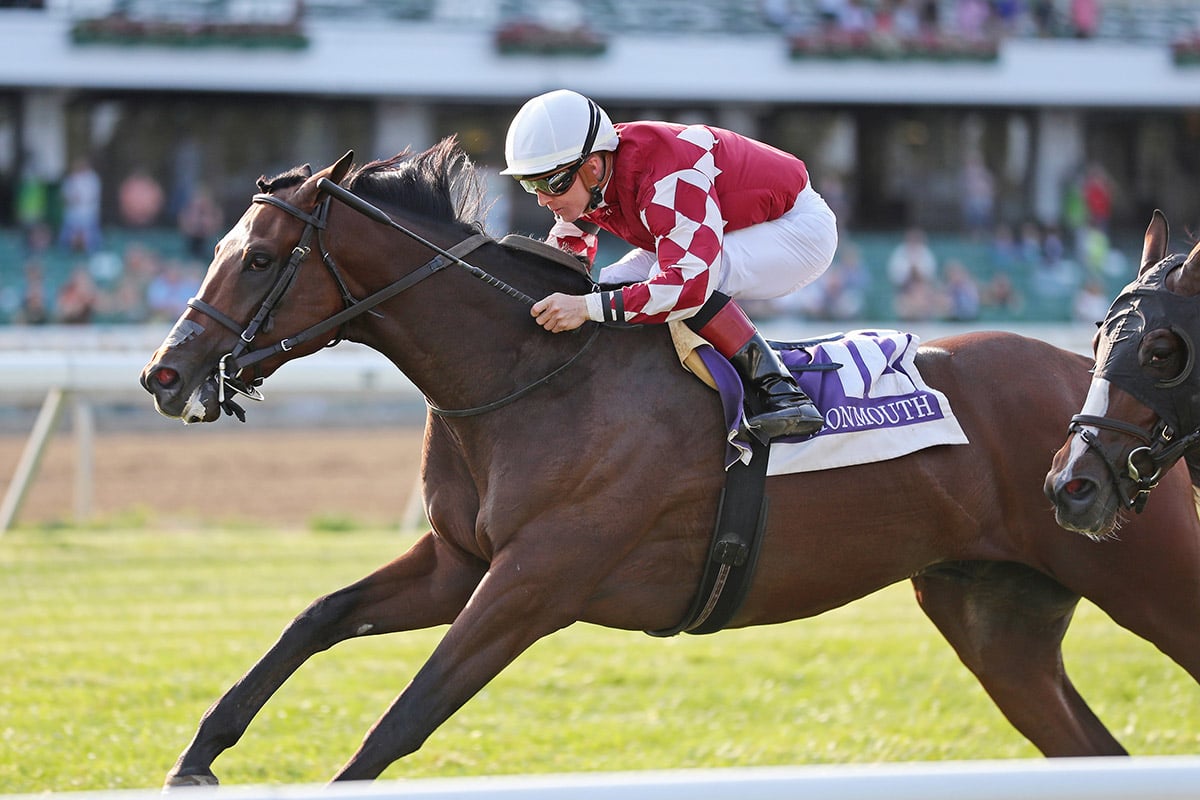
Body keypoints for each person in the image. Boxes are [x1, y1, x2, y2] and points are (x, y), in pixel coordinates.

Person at [501, 89, 837, 440]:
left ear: (593, 167)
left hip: (795, 229)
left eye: (550, 183)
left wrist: (585, 307)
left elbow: (688, 287)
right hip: (722, 224)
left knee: (697, 279)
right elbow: (569, 251)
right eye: (530, 184)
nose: (542, 199)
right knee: (614, 279)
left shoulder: (666, 179)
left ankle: (781, 392)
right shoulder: (592, 172)